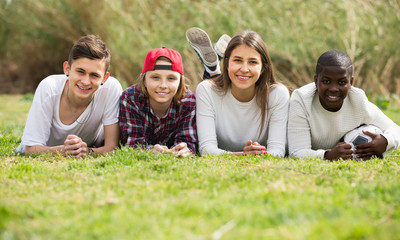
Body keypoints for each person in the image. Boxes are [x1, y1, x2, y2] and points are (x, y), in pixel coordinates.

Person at [186, 27, 289, 156]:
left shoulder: (278, 94)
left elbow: (278, 150)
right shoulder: (206, 90)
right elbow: (206, 149)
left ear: (263, 68)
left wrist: (260, 154)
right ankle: (213, 70)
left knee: (233, 78)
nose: (244, 68)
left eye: (252, 62)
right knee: (216, 85)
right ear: (227, 63)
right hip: (217, 86)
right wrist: (243, 155)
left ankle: (213, 69)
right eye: (238, 60)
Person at [16, 35, 123, 157]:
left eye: (94, 75)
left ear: (104, 78)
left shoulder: (111, 89)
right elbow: (30, 149)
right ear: (67, 69)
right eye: (80, 72)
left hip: (90, 145)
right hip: (46, 148)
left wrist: (88, 151)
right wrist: (63, 151)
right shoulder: (49, 87)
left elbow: (112, 147)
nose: (86, 81)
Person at [288, 50, 400, 160]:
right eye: (326, 81)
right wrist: (327, 156)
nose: (333, 89)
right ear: (316, 81)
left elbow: (395, 128)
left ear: (351, 82)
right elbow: (297, 151)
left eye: (342, 82)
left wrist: (386, 141)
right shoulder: (302, 99)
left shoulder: (357, 100)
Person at [119, 47, 197, 157]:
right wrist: (148, 150)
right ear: (144, 80)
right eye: (155, 77)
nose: (163, 85)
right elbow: (132, 144)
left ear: (180, 81)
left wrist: (183, 149)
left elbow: (188, 141)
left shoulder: (188, 101)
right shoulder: (130, 98)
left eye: (171, 78)